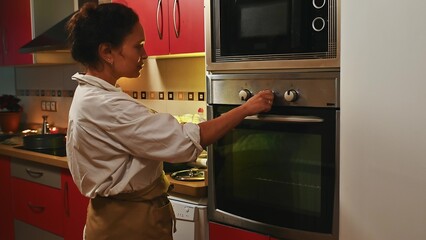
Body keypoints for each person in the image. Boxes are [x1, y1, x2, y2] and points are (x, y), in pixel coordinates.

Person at [65, 2, 274, 240]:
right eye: (138, 46)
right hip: (128, 225)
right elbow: (185, 141)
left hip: (113, 218)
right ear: (107, 52)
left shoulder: (91, 95)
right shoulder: (105, 104)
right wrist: (246, 108)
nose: (144, 54)